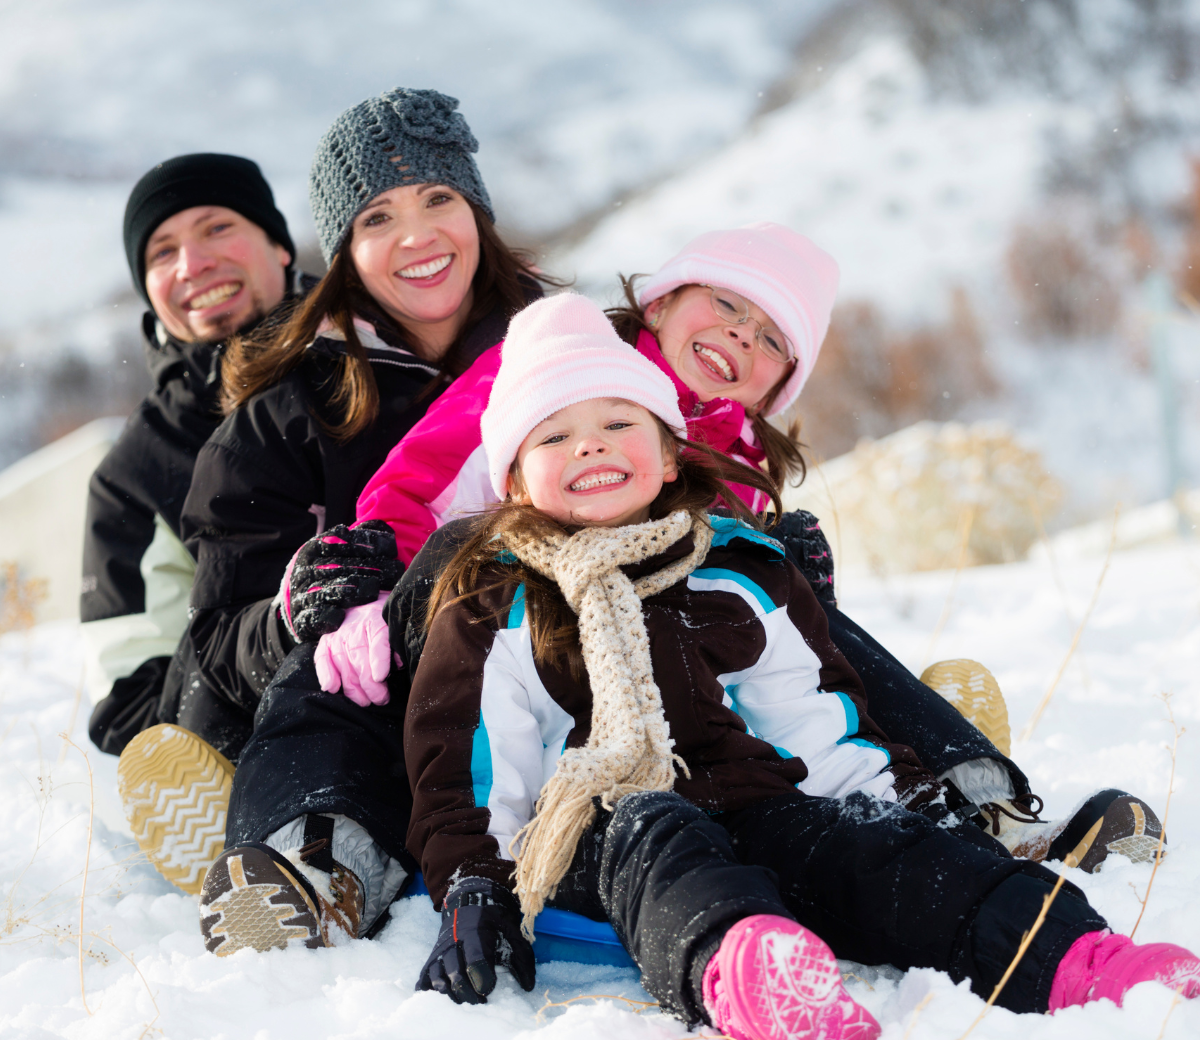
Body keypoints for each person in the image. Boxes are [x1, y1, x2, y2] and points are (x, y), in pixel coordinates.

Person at [397, 294, 1198, 1040]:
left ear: (671, 454)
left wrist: (890, 814)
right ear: (512, 482)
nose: (591, 445)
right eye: (553, 436)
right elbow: (467, 768)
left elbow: (812, 712)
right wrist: (476, 888)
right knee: (656, 827)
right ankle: (747, 969)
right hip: (595, 844)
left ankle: (1074, 959)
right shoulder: (494, 600)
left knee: (868, 847)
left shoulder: (736, 568)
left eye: (617, 422)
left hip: (754, 809)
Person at [318, 223, 1164, 873]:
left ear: (775, 386)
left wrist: (792, 583)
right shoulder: (553, 367)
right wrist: (376, 593)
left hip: (662, 686)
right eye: (726, 305)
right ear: (660, 301)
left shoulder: (740, 471)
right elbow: (412, 488)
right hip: (514, 645)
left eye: (769, 341)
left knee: (800, 616)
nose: (740, 338)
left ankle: (975, 803)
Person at [122, 87, 546, 900]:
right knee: (347, 671)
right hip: (350, 692)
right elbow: (218, 630)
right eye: (377, 218)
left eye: (438, 198)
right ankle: (307, 855)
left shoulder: (559, 362)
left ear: (476, 213)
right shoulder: (286, 412)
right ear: (343, 249)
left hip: (521, 671)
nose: (417, 235)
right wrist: (295, 610)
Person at [82, 153, 301, 760]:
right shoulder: (137, 469)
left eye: (216, 228)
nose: (193, 264)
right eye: (161, 252)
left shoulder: (376, 354)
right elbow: (130, 699)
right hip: (264, 717)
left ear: (279, 244)